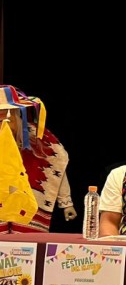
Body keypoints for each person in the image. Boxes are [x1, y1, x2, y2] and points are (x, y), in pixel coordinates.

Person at [0, 88, 77, 234]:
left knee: (26, 248)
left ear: (17, 114)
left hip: (30, 200)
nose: (4, 124)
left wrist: (66, 202)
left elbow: (57, 165)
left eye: (6, 118)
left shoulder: (40, 140)